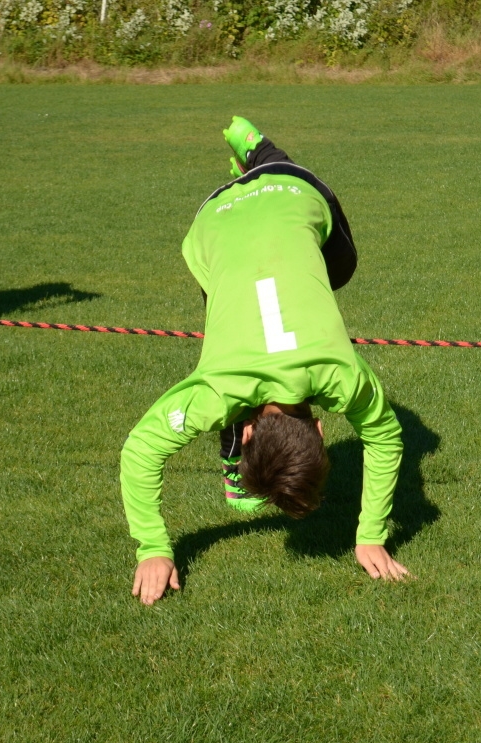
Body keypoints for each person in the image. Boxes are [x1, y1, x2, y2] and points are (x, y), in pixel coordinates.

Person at [120, 117, 409, 605]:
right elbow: (385, 436)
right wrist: (370, 535)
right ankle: (261, 157)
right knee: (317, 264)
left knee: (317, 261)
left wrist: (155, 546)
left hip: (229, 210)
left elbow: (139, 453)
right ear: (250, 434)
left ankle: (263, 161)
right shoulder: (219, 393)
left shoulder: (338, 378)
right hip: (223, 211)